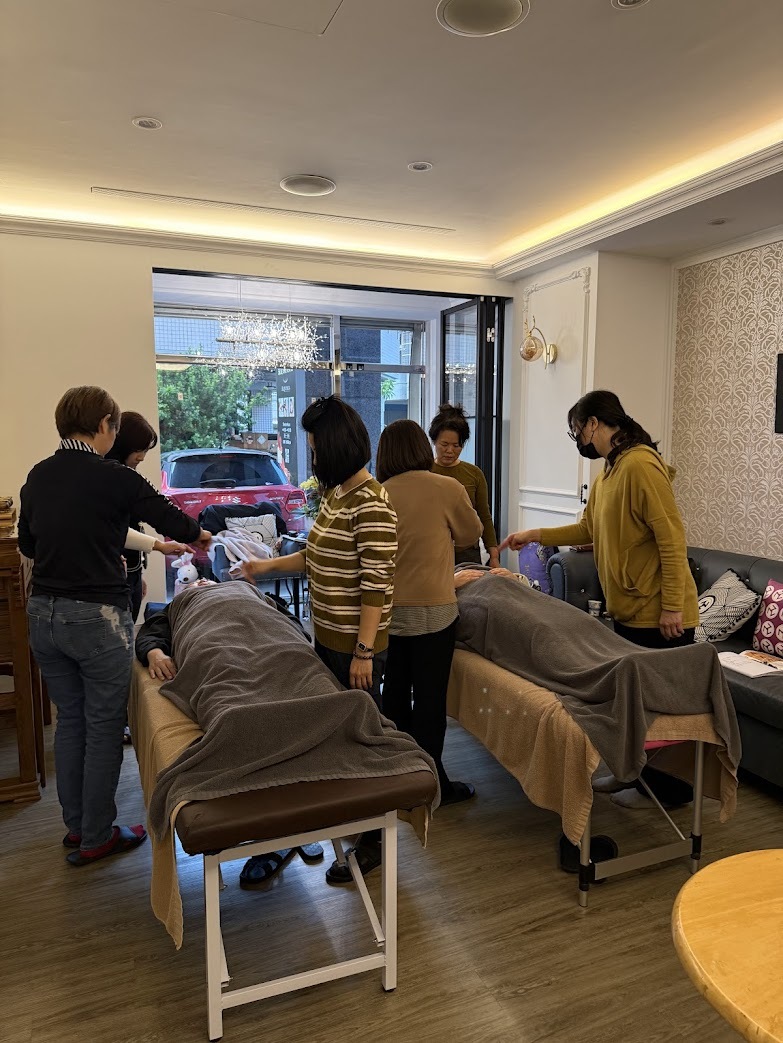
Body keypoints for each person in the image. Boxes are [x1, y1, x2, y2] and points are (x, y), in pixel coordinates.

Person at [19, 386, 211, 866]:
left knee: (71, 721)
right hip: (96, 618)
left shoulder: (38, 475)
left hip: (42, 614)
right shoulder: (113, 476)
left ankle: (77, 827)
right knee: (104, 726)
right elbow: (169, 518)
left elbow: (28, 545)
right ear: (105, 425)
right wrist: (199, 533)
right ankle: (97, 836)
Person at [500, 389, 699, 808]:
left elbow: (671, 537)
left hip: (658, 611)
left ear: (594, 424)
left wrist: (672, 606)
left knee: (662, 710)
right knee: (635, 706)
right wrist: (534, 534)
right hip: (630, 608)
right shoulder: (610, 471)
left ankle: (669, 791)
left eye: (578, 429)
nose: (578, 438)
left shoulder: (641, 465)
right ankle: (635, 776)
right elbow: (586, 529)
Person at [242, 395, 397, 883]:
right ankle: (353, 824)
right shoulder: (337, 496)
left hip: (358, 648)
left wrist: (364, 652)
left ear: (333, 447)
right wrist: (262, 567)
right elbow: (313, 556)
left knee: (362, 742)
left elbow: (377, 584)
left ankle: (374, 842)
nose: (311, 458)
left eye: (314, 448)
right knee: (339, 738)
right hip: (329, 639)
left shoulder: (371, 502)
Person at [135, 580, 324, 886]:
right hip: (215, 645)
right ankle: (274, 827)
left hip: (273, 640)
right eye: (193, 583)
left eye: (204, 580)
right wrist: (155, 653)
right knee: (228, 694)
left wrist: (291, 641)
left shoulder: (250, 591)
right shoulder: (177, 606)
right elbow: (150, 635)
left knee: (308, 678)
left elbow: (289, 621)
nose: (200, 582)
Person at [377, 419, 482, 806]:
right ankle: (434, 782)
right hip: (436, 612)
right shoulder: (447, 487)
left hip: (386, 614)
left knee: (394, 693)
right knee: (430, 699)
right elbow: (470, 534)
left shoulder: (376, 494)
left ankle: (400, 775)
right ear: (424, 448)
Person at [106, 411, 190, 622]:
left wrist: (139, 575)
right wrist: (197, 535)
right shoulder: (115, 480)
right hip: (117, 576)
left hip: (132, 571)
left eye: (145, 450)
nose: (142, 457)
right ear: (122, 445)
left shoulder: (123, 475)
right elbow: (117, 531)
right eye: (139, 450)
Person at [429, 403, 500, 567]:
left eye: (456, 446)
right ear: (434, 441)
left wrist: (494, 554)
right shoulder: (425, 471)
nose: (450, 451)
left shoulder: (474, 474)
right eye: (444, 444)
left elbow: (484, 515)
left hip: (467, 552)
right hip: (432, 550)